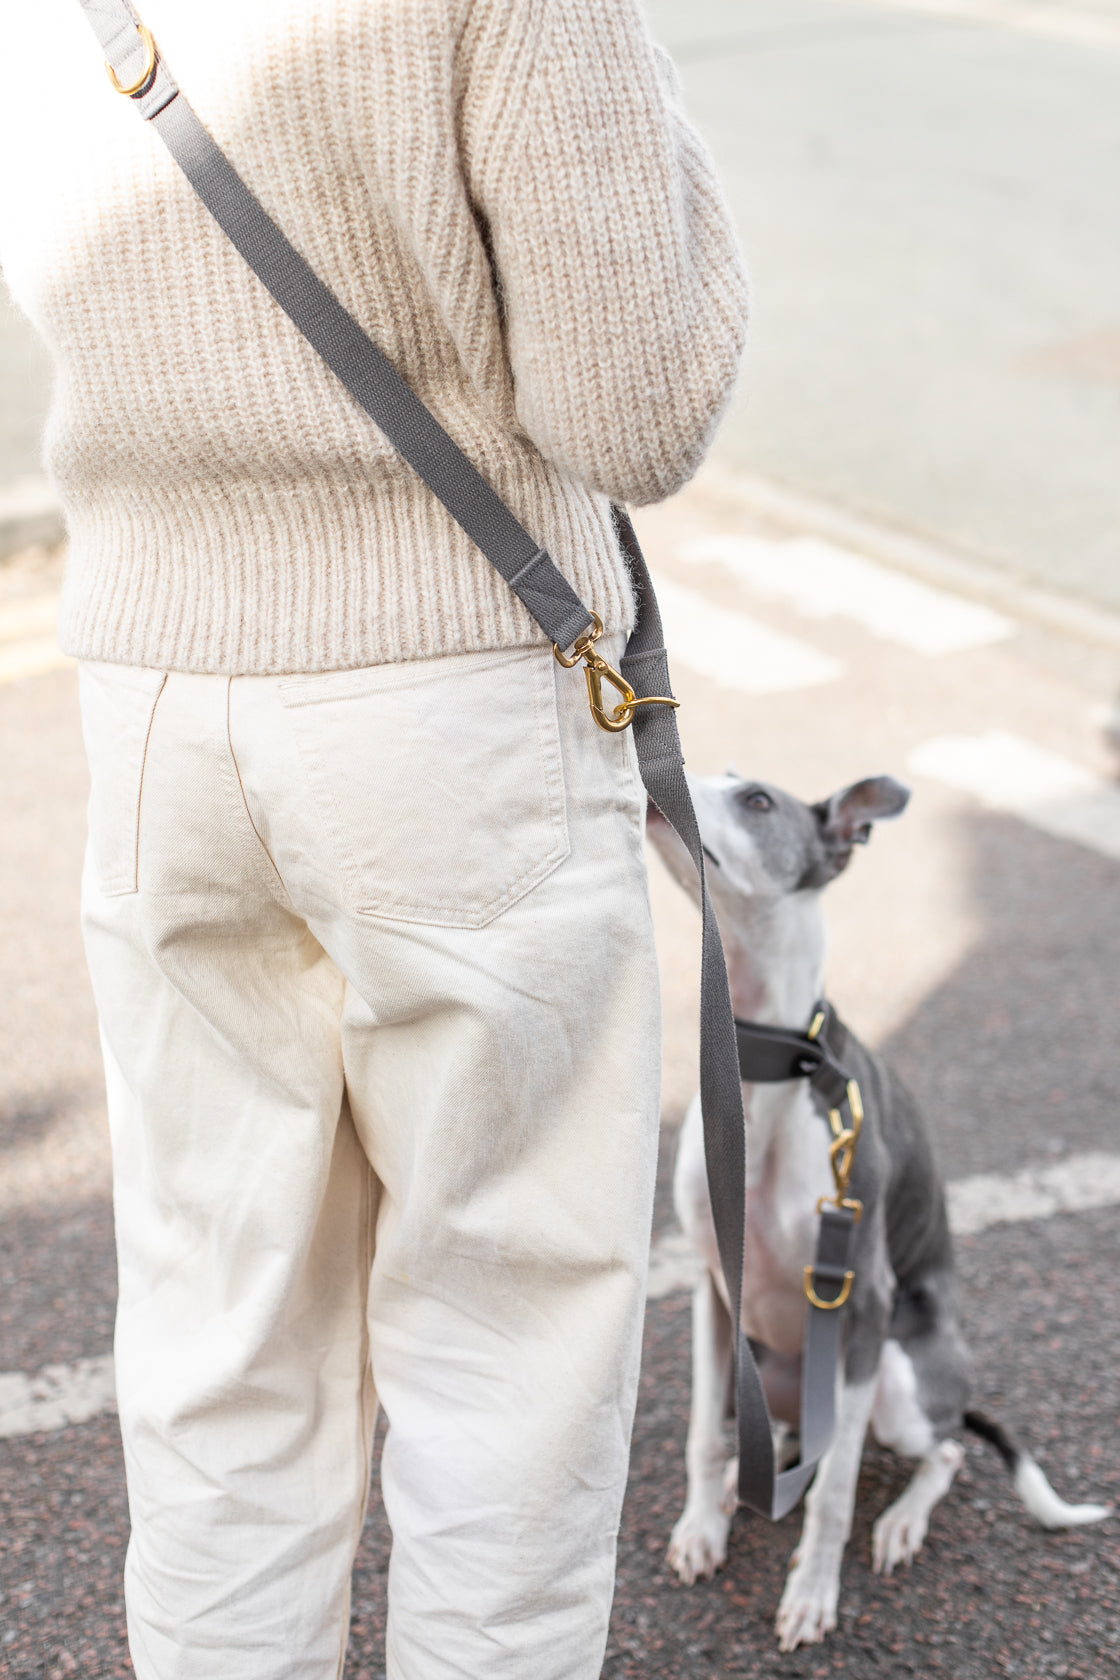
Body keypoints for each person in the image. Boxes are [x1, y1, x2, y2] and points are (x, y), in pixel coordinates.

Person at [0, 1, 747, 1675]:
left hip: (151, 687)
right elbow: (636, 408)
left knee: (220, 1328)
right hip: (447, 695)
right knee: (508, 1339)